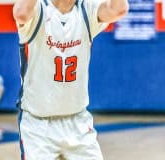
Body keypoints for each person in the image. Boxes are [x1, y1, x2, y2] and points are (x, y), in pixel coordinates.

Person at [13, 0, 129, 159]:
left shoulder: (86, 10)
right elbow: (21, 13)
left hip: (78, 121)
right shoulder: (38, 8)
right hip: (37, 126)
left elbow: (118, 10)